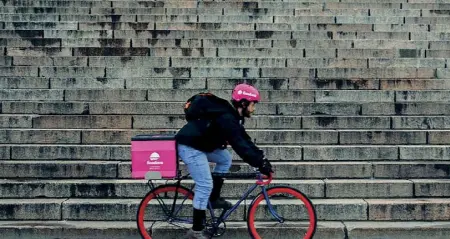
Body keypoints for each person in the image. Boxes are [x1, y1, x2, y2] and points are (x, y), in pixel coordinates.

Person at [175, 83, 274, 239]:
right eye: (253, 104)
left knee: (224, 158)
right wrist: (259, 164)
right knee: (205, 184)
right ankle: (196, 231)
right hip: (189, 146)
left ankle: (213, 199)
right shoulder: (227, 117)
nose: (254, 108)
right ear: (244, 103)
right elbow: (239, 145)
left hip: (200, 144)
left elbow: (244, 139)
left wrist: (261, 159)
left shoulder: (232, 117)